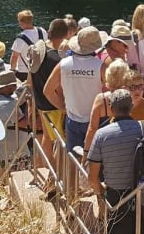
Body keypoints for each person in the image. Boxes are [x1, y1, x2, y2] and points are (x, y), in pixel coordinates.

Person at [86, 89, 144, 234]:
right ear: (131, 107)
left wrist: (101, 192)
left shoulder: (101, 135)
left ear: (111, 109)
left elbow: (92, 177)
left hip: (116, 198)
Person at [44, 25, 107, 156]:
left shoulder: (63, 65)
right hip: (96, 119)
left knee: (73, 161)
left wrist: (62, 107)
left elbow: (47, 91)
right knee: (96, 161)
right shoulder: (100, 66)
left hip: (73, 119)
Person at [83, 59, 144, 152]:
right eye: (133, 87)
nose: (137, 91)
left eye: (140, 87)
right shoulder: (120, 106)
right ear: (124, 87)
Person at [31, 18, 72, 156]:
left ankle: (48, 169)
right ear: (67, 35)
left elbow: (30, 78)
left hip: (40, 102)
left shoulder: (38, 50)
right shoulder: (57, 59)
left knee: (47, 137)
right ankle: (55, 173)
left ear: (49, 32)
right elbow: (59, 87)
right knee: (61, 141)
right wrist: (64, 106)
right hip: (54, 105)